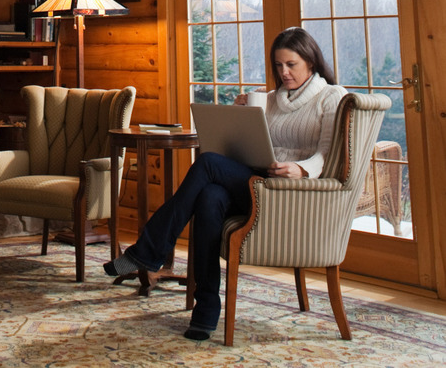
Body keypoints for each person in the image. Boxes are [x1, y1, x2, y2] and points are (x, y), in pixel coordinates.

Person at [103, 27, 348, 341]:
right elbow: (251, 146)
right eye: (278, 65)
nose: (283, 72)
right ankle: (205, 310)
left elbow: (328, 154)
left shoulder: (332, 96)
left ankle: (148, 250)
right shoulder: (271, 99)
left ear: (311, 62)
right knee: (210, 196)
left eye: (291, 64)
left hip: (295, 195)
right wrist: (241, 114)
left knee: (206, 165)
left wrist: (301, 169)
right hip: (259, 185)